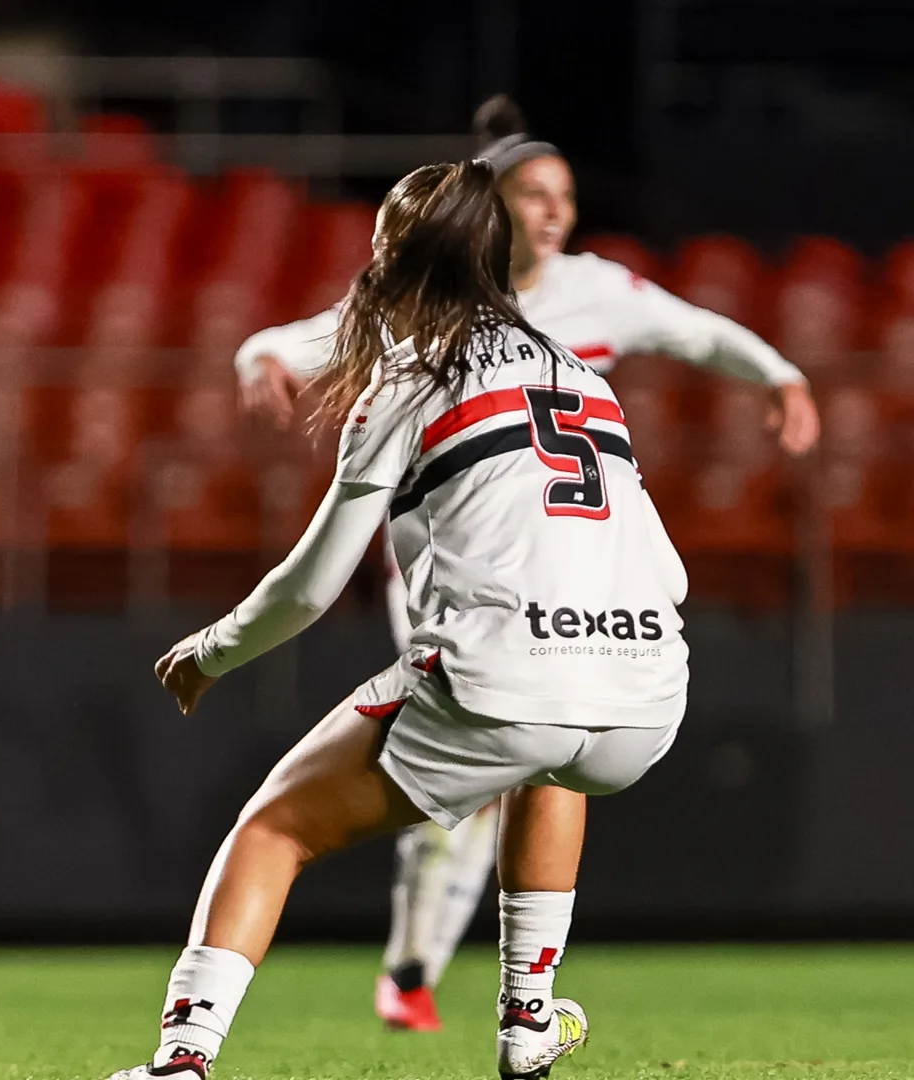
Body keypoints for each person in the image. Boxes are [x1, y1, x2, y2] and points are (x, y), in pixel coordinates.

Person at [233, 95, 820, 1032]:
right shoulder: (454, 319)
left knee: (497, 760)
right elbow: (308, 335)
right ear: (487, 213)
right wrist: (261, 348)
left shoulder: (592, 295)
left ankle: (424, 975)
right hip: (466, 585)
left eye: (563, 195)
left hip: (539, 583)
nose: (551, 212)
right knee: (511, 766)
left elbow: (702, 332)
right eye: (529, 195)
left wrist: (780, 374)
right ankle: (471, 986)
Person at [110, 159, 689, 1080]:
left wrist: (212, 653)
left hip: (508, 678)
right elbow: (669, 571)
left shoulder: (414, 376)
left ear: (389, 258)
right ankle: (528, 1022)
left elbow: (310, 585)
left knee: (273, 831)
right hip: (647, 696)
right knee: (552, 758)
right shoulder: (587, 378)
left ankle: (182, 1060)